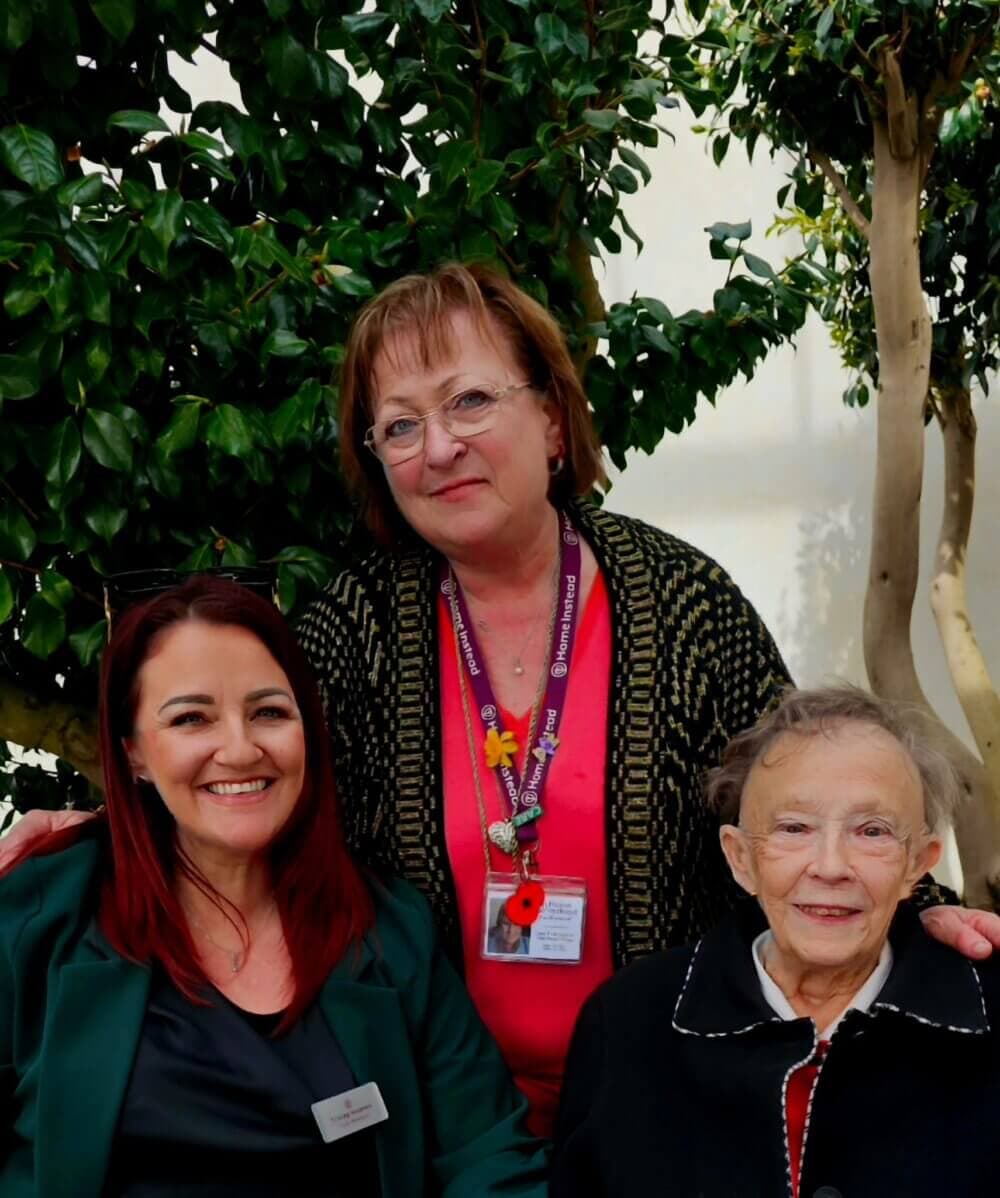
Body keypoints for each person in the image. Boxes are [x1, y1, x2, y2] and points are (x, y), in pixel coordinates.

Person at [5, 263, 1000, 1135]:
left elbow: (800, 801)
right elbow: (254, 781)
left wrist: (916, 905)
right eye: (400, 425)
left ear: (552, 420)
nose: (437, 447)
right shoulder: (357, 622)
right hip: (432, 1103)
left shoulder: (681, 601)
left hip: (676, 1086)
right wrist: (108, 826)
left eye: (469, 401)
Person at [0, 577, 547, 1198]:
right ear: (133, 755)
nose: (239, 748)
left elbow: (490, 1156)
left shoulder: (390, 931)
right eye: (190, 718)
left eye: (268, 712)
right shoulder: (40, 913)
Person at [551, 686, 1000, 1198]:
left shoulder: (986, 1014)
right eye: (793, 828)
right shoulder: (631, 1020)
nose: (830, 867)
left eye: (872, 831)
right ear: (741, 858)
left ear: (918, 864)